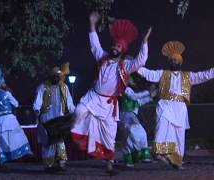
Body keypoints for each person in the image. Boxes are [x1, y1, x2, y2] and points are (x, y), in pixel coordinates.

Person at [70, 12, 151, 174]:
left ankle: (109, 165)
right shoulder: (103, 58)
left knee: (109, 136)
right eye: (114, 45)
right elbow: (95, 45)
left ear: (123, 50)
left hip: (109, 105)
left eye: (118, 46)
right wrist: (92, 23)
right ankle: (69, 129)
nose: (114, 47)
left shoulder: (125, 66)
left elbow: (140, 61)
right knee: (78, 111)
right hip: (93, 97)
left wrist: (144, 42)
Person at [137, 41, 214, 169]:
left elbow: (204, 75)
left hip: (180, 109)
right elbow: (148, 74)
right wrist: (133, 65)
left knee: (178, 135)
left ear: (180, 62)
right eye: (171, 60)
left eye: (176, 60)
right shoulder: (162, 74)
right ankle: (161, 152)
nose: (174, 61)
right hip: (165, 106)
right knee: (161, 129)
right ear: (168, 62)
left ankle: (176, 160)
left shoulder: (187, 77)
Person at [33, 62, 75, 172]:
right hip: (47, 118)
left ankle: (61, 163)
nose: (57, 78)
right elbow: (37, 101)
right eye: (55, 76)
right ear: (51, 76)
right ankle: (48, 165)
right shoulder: (42, 87)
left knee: (60, 141)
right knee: (48, 142)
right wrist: (36, 109)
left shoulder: (64, 87)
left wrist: (74, 112)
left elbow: (69, 102)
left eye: (58, 76)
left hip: (60, 118)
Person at [0, 65, 32, 166]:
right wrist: (10, 94)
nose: (5, 84)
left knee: (1, 141)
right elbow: (16, 104)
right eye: (3, 82)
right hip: (8, 119)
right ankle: (24, 152)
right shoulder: (6, 93)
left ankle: (2, 159)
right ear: (1, 84)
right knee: (18, 135)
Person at [118, 76, 156, 167]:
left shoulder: (130, 90)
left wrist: (150, 97)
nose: (132, 80)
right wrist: (148, 92)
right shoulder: (125, 89)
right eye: (130, 79)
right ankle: (140, 157)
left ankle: (133, 159)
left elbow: (139, 102)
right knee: (134, 136)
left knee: (130, 138)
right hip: (126, 116)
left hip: (128, 116)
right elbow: (135, 97)